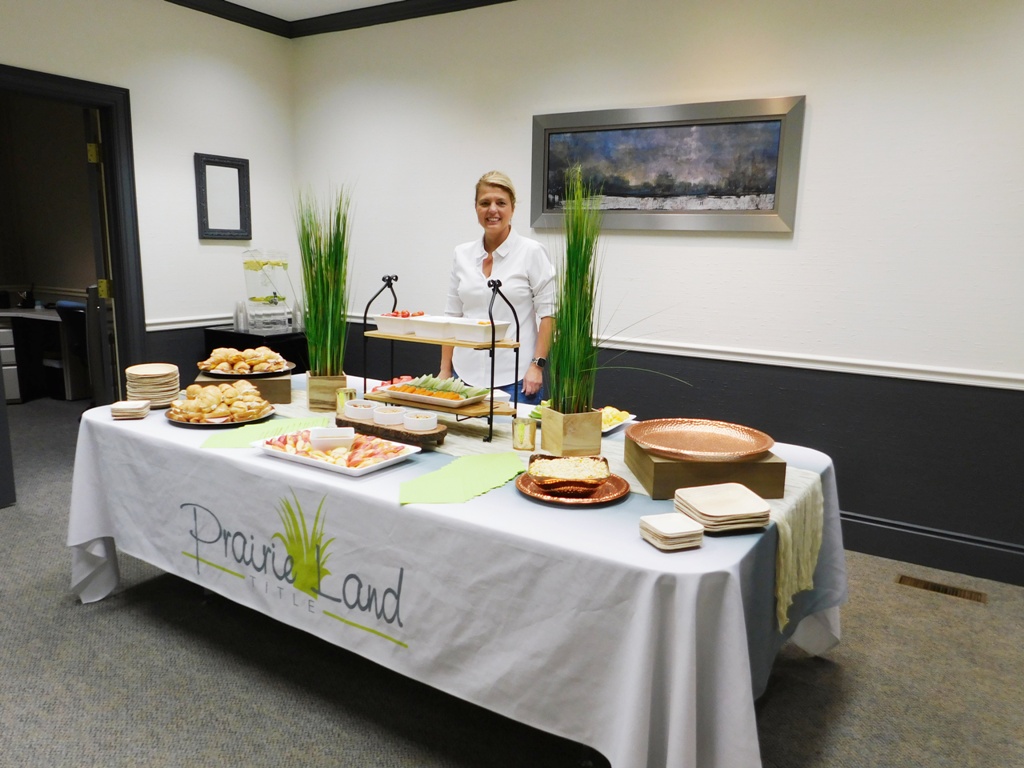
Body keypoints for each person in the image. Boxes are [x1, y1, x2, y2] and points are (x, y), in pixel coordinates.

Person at [439, 171, 555, 406]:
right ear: (476, 208)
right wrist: (445, 370)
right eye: (485, 203)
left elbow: (549, 314)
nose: (492, 210)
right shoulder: (461, 254)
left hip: (516, 379)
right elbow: (452, 316)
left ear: (512, 208)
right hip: (464, 376)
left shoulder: (531, 252)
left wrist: (537, 366)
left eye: (501, 203)